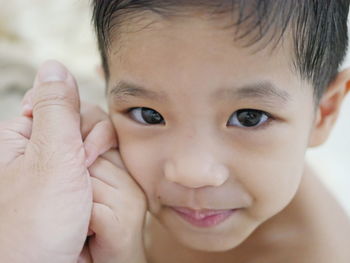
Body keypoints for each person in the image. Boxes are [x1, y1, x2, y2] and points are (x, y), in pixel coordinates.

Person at [1, 1, 350, 262]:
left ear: (324, 112)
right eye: (149, 115)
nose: (192, 173)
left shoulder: (316, 253)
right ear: (107, 91)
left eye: (248, 117)